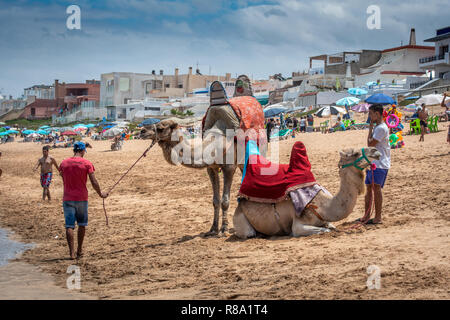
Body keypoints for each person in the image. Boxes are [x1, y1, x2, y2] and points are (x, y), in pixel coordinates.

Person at [59, 141, 108, 259]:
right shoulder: (87, 163)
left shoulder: (64, 163)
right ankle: (79, 250)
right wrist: (100, 193)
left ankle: (71, 253)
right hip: (81, 198)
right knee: (82, 225)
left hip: (68, 197)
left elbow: (62, 175)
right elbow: (93, 181)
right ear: (82, 151)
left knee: (69, 226)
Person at [358, 104, 390, 225]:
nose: (369, 116)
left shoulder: (381, 128)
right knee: (369, 188)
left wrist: (370, 128)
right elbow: (370, 144)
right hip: (374, 161)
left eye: (371, 113)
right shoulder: (379, 127)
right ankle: (367, 215)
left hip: (380, 163)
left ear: (377, 114)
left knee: (376, 189)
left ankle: (378, 217)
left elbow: (370, 144)